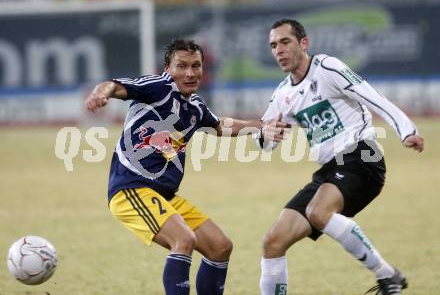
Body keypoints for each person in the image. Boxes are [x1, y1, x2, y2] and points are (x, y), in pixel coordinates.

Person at [85, 39, 286, 295]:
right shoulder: (158, 87)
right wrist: (101, 93)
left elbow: (220, 125)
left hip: (164, 196)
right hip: (131, 190)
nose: (190, 73)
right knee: (184, 239)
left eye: (196, 66)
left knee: (220, 246)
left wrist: (260, 126)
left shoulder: (195, 106)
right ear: (167, 68)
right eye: (182, 66)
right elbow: (115, 85)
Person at [256, 19, 424, 295]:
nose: (279, 51)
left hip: (363, 157)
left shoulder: (327, 68)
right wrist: (267, 135)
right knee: (273, 242)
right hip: (330, 171)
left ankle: (387, 275)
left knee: (318, 212)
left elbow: (373, 97)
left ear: (303, 43)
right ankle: (389, 276)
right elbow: (264, 141)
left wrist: (407, 130)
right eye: (273, 45)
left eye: (285, 42)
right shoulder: (283, 94)